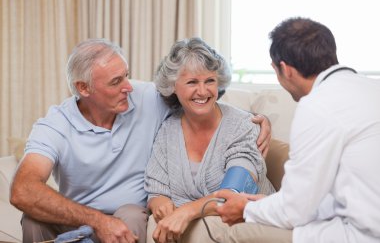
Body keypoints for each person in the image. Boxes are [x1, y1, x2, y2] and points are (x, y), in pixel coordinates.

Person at [9, 38, 272, 243]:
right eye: (116, 81)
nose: (129, 86)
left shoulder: (145, 99)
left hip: (129, 215)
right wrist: (102, 221)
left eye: (126, 75)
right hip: (80, 215)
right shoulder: (56, 124)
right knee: (33, 221)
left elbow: (207, 105)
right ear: (84, 88)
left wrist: (257, 119)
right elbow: (23, 190)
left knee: (132, 215)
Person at [215, 17, 380, 243]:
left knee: (238, 234)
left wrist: (246, 209)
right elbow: (348, 190)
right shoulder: (371, 88)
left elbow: (295, 209)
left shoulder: (318, 106)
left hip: (363, 235)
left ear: (286, 69)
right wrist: (266, 204)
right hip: (364, 219)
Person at [144, 37, 275, 243]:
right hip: (193, 224)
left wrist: (185, 212)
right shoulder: (167, 130)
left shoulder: (243, 126)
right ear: (173, 87)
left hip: (243, 223)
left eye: (210, 81)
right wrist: (160, 204)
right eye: (192, 82)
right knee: (156, 225)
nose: (203, 91)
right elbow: (156, 189)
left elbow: (234, 193)